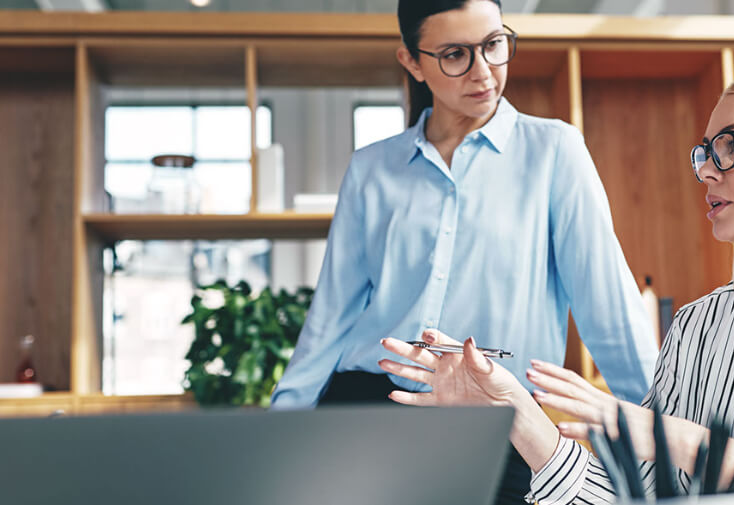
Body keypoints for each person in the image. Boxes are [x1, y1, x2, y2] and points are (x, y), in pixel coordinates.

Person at [380, 60, 734, 505]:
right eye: (705, 151)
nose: (707, 168)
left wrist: (670, 436)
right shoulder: (699, 324)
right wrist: (522, 421)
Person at [270, 0, 660, 502]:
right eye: (455, 54)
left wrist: (666, 440)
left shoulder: (554, 151)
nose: (483, 72)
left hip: (501, 420)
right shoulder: (372, 168)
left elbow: (609, 309)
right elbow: (330, 316)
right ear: (412, 61)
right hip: (369, 407)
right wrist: (280, 433)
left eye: (494, 45)